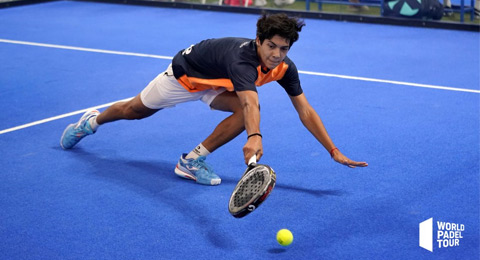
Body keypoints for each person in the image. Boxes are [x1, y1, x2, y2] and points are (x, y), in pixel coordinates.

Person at [60, 13, 368, 186]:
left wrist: (332, 149)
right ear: (258, 40)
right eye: (271, 46)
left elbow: (305, 109)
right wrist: (255, 136)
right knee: (135, 110)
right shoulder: (242, 62)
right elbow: (248, 103)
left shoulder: (284, 68)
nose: (276, 55)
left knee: (249, 110)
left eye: (284, 49)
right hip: (187, 76)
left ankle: (191, 161)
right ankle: (92, 121)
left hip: (219, 84)